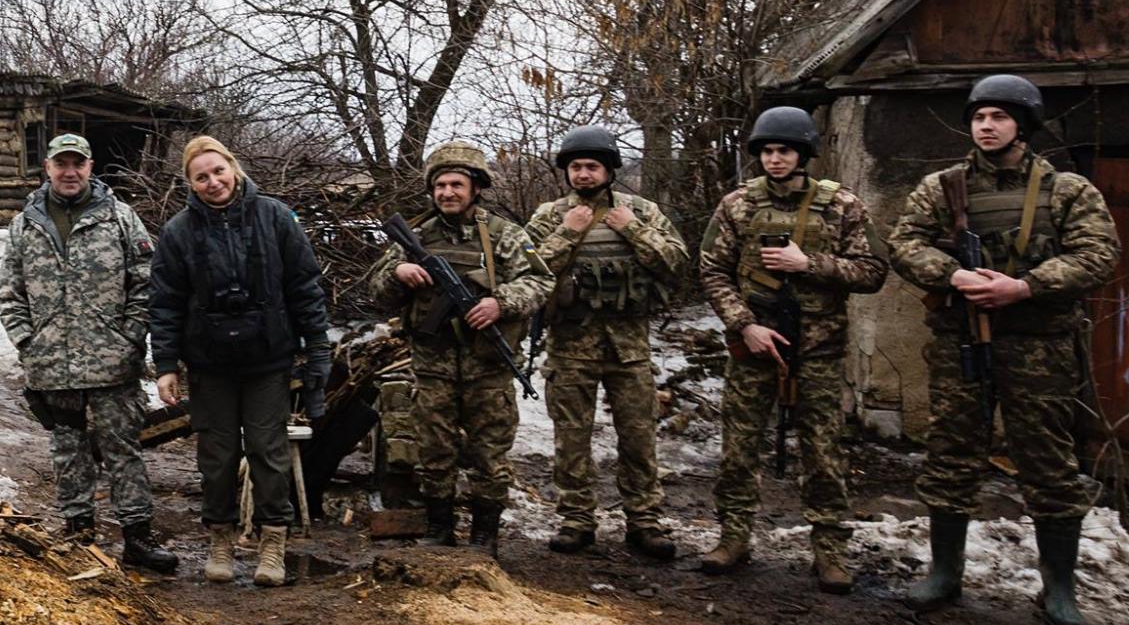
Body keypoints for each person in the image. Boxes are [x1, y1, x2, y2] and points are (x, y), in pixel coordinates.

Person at [888, 75, 1121, 625]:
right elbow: (903, 243)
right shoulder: (943, 188)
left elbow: (1099, 253)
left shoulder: (1066, 190)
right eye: (978, 118)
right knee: (950, 454)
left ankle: (1058, 588)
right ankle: (945, 573)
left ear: (1023, 124)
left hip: (1039, 346)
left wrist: (1025, 286)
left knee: (1047, 463)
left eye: (998, 117)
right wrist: (954, 274)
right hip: (961, 341)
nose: (986, 127)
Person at [697, 107, 888, 591]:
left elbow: (872, 271)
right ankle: (733, 537)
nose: (774, 159)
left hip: (818, 349)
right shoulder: (737, 205)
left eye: (783, 150)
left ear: (803, 154)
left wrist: (811, 264)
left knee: (824, 452)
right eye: (766, 151)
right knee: (738, 450)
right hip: (754, 347)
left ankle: (829, 549)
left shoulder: (841, 205)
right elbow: (712, 270)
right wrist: (744, 325)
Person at [150, 136, 330, 587]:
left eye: (218, 171)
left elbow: (304, 286)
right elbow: (166, 303)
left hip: (268, 360)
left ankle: (272, 543)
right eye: (201, 177)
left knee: (269, 454)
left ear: (234, 168)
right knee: (217, 456)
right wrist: (166, 363)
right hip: (209, 364)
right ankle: (221, 540)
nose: (213, 183)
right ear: (190, 184)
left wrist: (317, 348)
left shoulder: (274, 218)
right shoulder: (178, 232)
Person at [0, 133, 172, 572]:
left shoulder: (120, 218)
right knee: (67, 449)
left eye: (78, 164)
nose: (70, 172)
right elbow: (10, 293)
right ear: (48, 169)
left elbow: (147, 282)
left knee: (122, 449)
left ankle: (137, 538)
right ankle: (78, 536)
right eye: (61, 164)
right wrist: (27, 342)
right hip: (52, 365)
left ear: (91, 167)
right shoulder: (26, 225)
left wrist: (130, 335)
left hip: (112, 363)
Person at [366, 141, 551, 553]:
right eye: (440, 186)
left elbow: (540, 282)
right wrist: (398, 271)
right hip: (432, 365)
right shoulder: (416, 235)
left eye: (457, 184)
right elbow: (377, 289)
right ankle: (439, 530)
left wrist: (499, 302)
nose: (448, 192)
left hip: (488, 366)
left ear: (476, 188)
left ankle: (485, 536)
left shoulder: (504, 235)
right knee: (434, 450)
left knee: (490, 453)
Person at [523, 126, 689, 558]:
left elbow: (677, 264)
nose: (582, 174)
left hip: (628, 346)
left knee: (638, 438)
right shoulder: (551, 214)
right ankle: (576, 519)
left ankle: (644, 521)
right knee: (571, 439)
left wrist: (634, 230)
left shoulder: (641, 211)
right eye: (576, 167)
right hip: (570, 345)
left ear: (609, 170)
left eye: (591, 166)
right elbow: (526, 271)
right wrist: (568, 233)